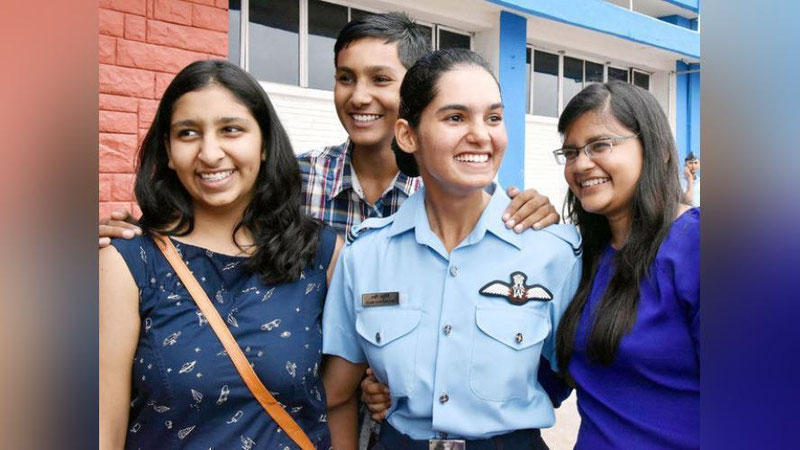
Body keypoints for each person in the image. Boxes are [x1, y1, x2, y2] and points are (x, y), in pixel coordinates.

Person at [362, 81, 700, 450]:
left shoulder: (696, 246)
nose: (581, 164)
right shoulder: (584, 257)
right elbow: (531, 381)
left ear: (656, 150)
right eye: (571, 152)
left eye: (600, 145)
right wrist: (406, 383)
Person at [98, 12, 559, 248]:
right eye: (345, 78)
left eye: (380, 79)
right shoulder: (294, 178)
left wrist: (539, 215)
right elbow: (209, 218)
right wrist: (134, 233)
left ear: (414, 90)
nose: (359, 97)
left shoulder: (451, 188)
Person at [321, 49, 582, 449]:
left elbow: (587, 380)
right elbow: (337, 394)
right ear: (407, 135)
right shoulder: (365, 255)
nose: (481, 135)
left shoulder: (554, 252)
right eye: (456, 117)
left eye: (493, 118)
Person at [99, 59, 346, 449]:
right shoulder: (127, 263)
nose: (210, 153)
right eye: (188, 133)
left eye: (231, 129)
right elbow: (102, 429)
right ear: (168, 151)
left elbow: (340, 402)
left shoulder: (322, 256)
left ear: (265, 144)